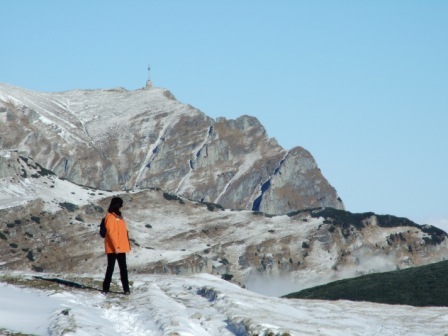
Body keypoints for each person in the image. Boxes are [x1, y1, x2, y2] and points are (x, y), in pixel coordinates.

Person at [102, 196, 131, 295]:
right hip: (114, 248)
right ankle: (105, 288)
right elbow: (111, 233)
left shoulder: (118, 217)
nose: (122, 207)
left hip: (120, 247)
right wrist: (116, 247)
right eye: (121, 205)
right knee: (111, 268)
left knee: (123, 269)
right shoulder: (110, 217)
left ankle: (126, 289)